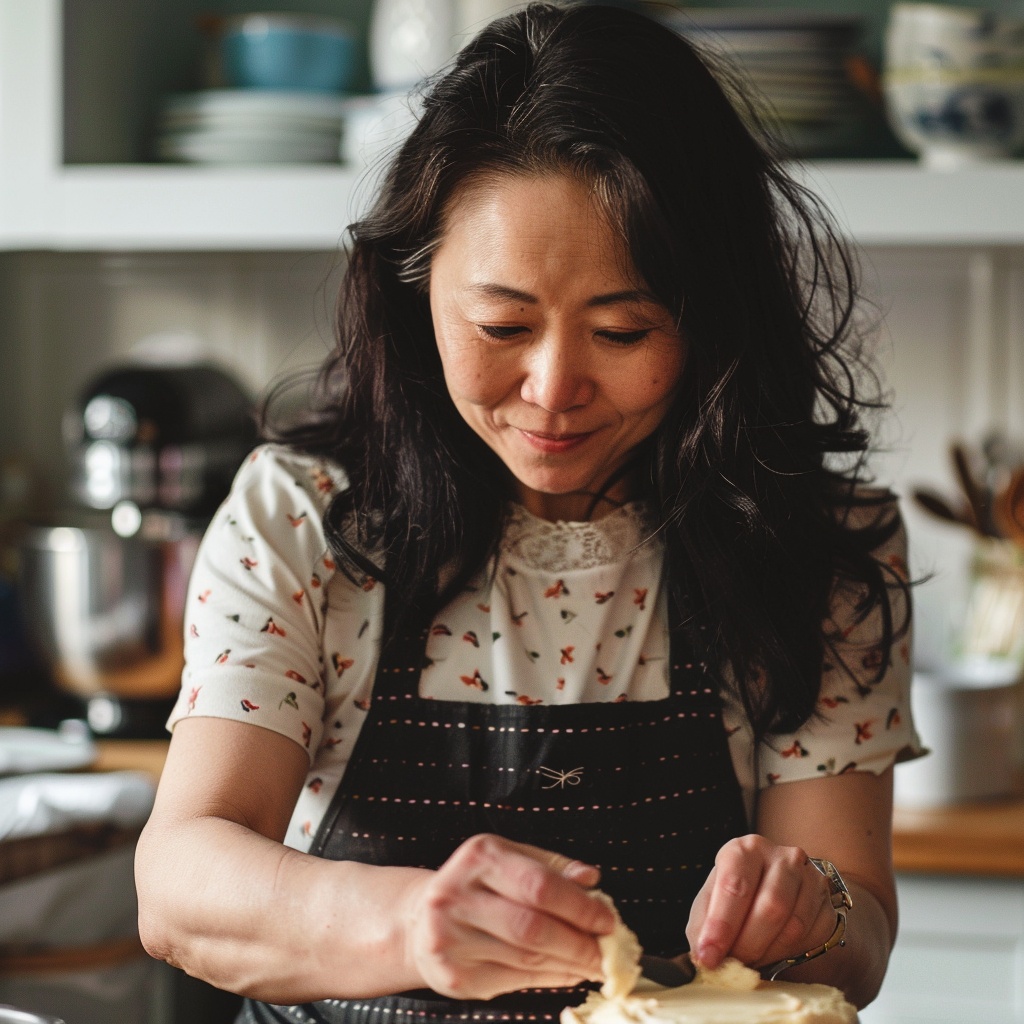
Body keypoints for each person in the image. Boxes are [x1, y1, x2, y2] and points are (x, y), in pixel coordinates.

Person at [135, 4, 923, 1022]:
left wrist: (811, 909)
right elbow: (178, 887)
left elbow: (858, 936)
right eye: (502, 323)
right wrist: (413, 923)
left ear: (713, 318)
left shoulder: (813, 545)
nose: (553, 389)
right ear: (415, 288)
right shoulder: (308, 517)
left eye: (623, 328)